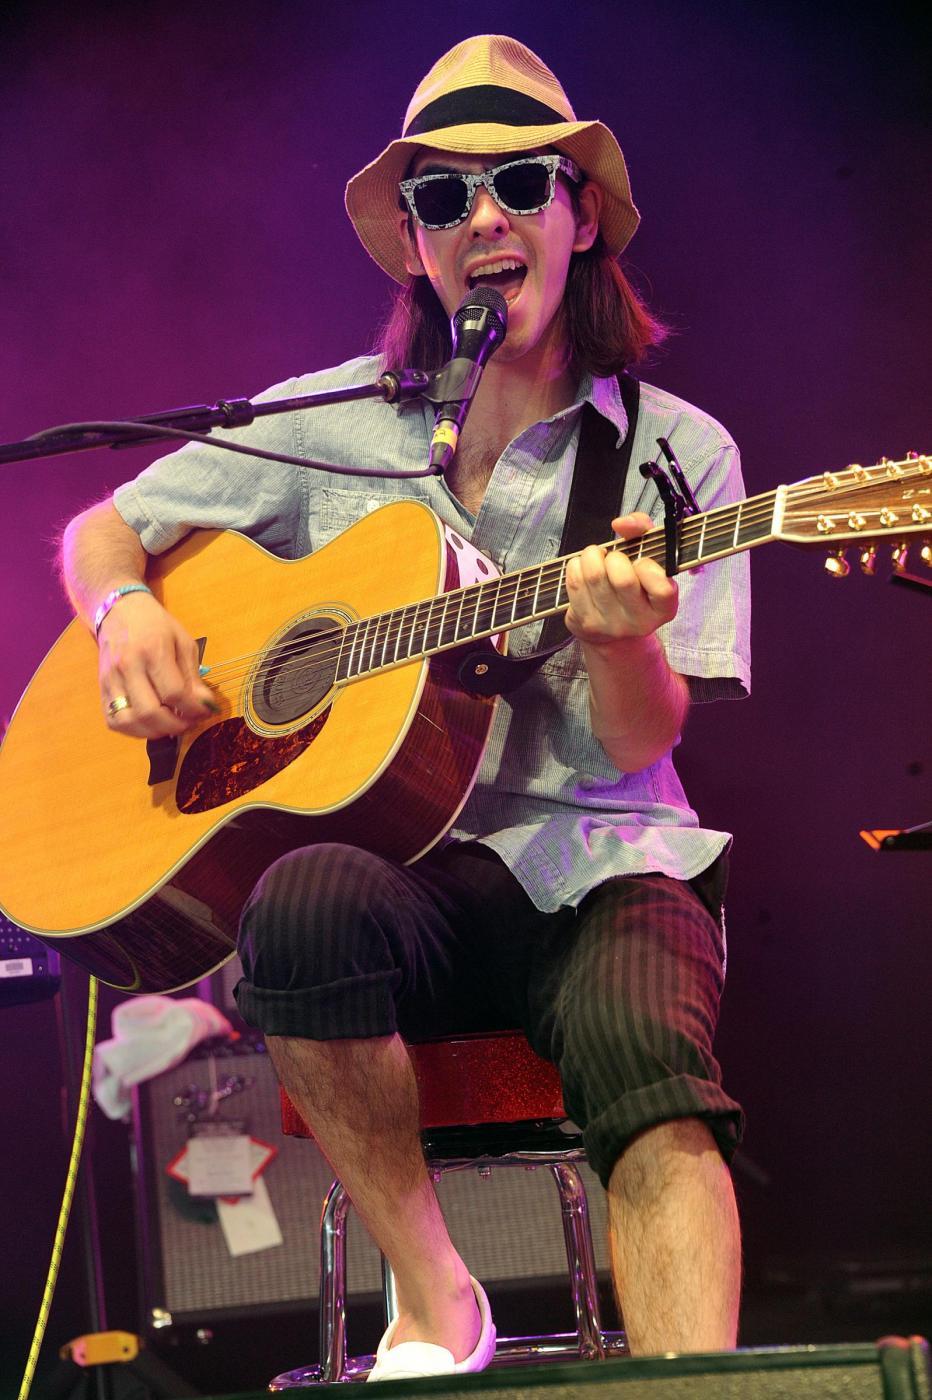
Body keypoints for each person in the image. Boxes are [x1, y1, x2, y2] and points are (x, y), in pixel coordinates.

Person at [62, 35, 750, 1380]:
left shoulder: (676, 452)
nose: (483, 219)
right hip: (406, 878)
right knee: (299, 904)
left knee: (647, 1056)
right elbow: (104, 529)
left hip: (603, 861)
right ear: (418, 247)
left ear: (581, 216)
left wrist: (621, 643)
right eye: (444, 198)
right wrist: (123, 608)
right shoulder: (326, 424)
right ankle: (438, 1301)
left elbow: (638, 740)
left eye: (521, 184)